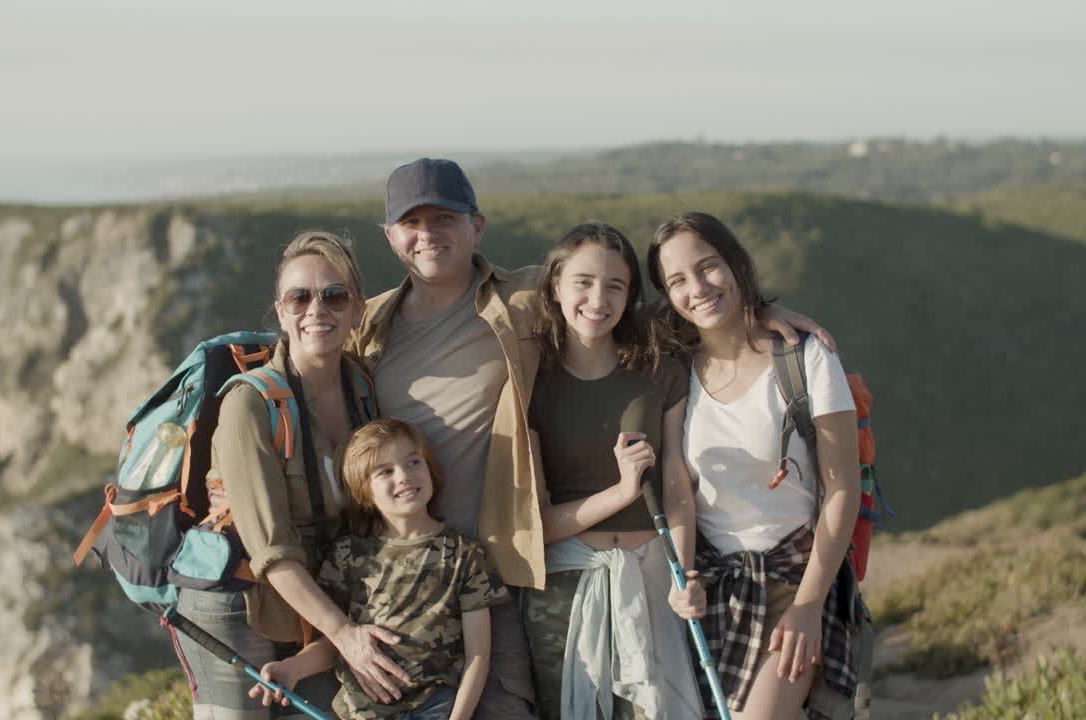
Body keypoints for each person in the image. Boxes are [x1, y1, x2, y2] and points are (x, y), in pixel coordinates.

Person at [351, 158, 837, 719]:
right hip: (440, 566)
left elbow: (687, 312)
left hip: (533, 572)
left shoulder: (531, 306)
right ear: (390, 236)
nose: (428, 234)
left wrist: (758, 311)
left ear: (476, 226)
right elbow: (317, 381)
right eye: (412, 222)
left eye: (444, 218)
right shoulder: (369, 326)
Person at [176, 231, 413, 719]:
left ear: (357, 309)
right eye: (299, 297)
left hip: (314, 602)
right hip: (234, 604)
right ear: (280, 312)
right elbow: (270, 548)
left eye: (334, 296)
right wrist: (346, 636)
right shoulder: (250, 403)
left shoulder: (363, 392)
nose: (316, 310)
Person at [647, 211, 861, 720]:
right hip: (714, 586)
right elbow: (678, 484)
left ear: (736, 263)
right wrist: (684, 577)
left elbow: (842, 490)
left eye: (709, 266)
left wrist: (810, 606)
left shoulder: (805, 358)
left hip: (794, 579)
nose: (697, 288)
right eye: (677, 280)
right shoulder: (675, 367)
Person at [522, 222, 704, 719]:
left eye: (614, 286)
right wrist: (623, 490)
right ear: (555, 286)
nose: (597, 298)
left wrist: (682, 574)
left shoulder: (660, 371)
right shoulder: (531, 381)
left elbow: (675, 485)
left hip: (654, 580)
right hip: (565, 589)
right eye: (582, 281)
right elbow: (539, 525)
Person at [249, 418, 509, 720]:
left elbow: (478, 655)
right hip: (361, 711)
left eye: (413, 462)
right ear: (364, 492)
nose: (404, 476)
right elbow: (337, 644)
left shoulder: (466, 555)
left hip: (437, 706)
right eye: (385, 471)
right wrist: (291, 668)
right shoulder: (347, 555)